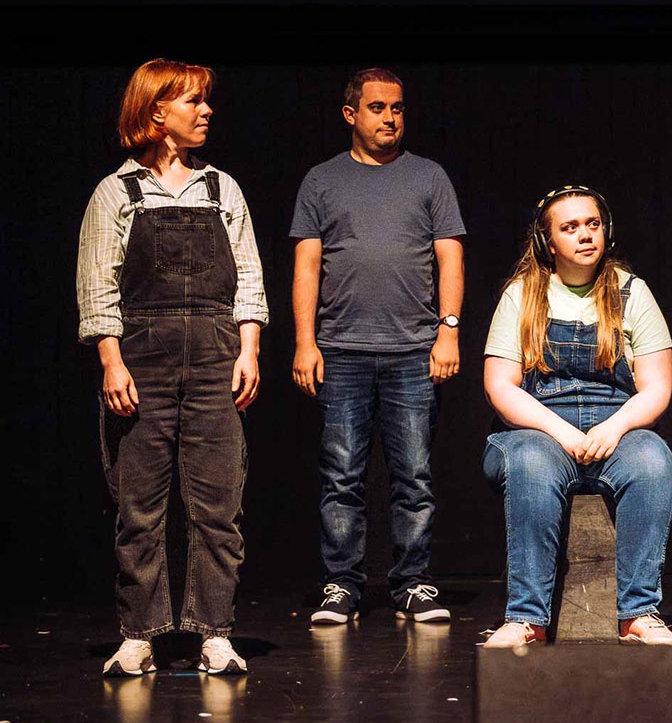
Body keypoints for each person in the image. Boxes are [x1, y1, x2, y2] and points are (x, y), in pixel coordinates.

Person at [77, 58, 268, 676]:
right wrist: (111, 360)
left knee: (218, 502)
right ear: (157, 112)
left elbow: (249, 281)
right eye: (193, 101)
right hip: (143, 360)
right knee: (141, 505)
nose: (206, 111)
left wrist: (249, 349)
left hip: (215, 357)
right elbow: (97, 287)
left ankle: (214, 631)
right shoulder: (116, 191)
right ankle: (140, 632)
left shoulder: (222, 188)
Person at [291, 67, 466, 626]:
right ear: (351, 114)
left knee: (413, 475)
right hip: (340, 349)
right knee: (341, 475)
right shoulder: (322, 180)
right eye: (377, 108)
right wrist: (304, 343)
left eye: (397, 108)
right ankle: (341, 584)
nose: (390, 118)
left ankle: (413, 582)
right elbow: (307, 265)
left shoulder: (429, 177)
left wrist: (449, 329)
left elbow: (450, 258)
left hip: (413, 351)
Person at [480, 185, 672, 648]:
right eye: (570, 227)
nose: (584, 235)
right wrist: (562, 432)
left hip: (616, 424)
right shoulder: (522, 295)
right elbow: (500, 386)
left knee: (653, 462)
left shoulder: (633, 292)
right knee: (530, 464)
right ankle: (526, 618)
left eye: (592, 224)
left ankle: (639, 614)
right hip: (537, 426)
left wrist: (613, 427)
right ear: (549, 243)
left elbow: (658, 387)